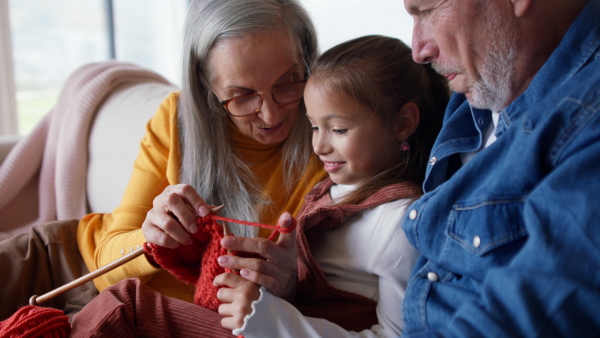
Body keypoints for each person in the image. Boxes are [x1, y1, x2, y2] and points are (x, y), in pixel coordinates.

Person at [69, 35, 450, 337]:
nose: (318, 144)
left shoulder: (398, 224)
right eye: (314, 126)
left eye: (337, 129)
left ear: (403, 123)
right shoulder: (338, 190)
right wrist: (286, 282)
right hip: (258, 319)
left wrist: (266, 315)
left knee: (127, 306)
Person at [0, 0, 327, 320]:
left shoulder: (331, 149)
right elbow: (107, 255)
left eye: (287, 83)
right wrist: (151, 238)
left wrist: (291, 286)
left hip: (134, 313)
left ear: (308, 62)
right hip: (67, 259)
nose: (269, 114)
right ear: (205, 87)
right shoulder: (177, 119)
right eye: (242, 95)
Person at [399, 0, 600, 336]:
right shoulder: (485, 81)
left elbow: (531, 317)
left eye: (428, 10)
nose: (418, 50)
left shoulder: (587, 118)